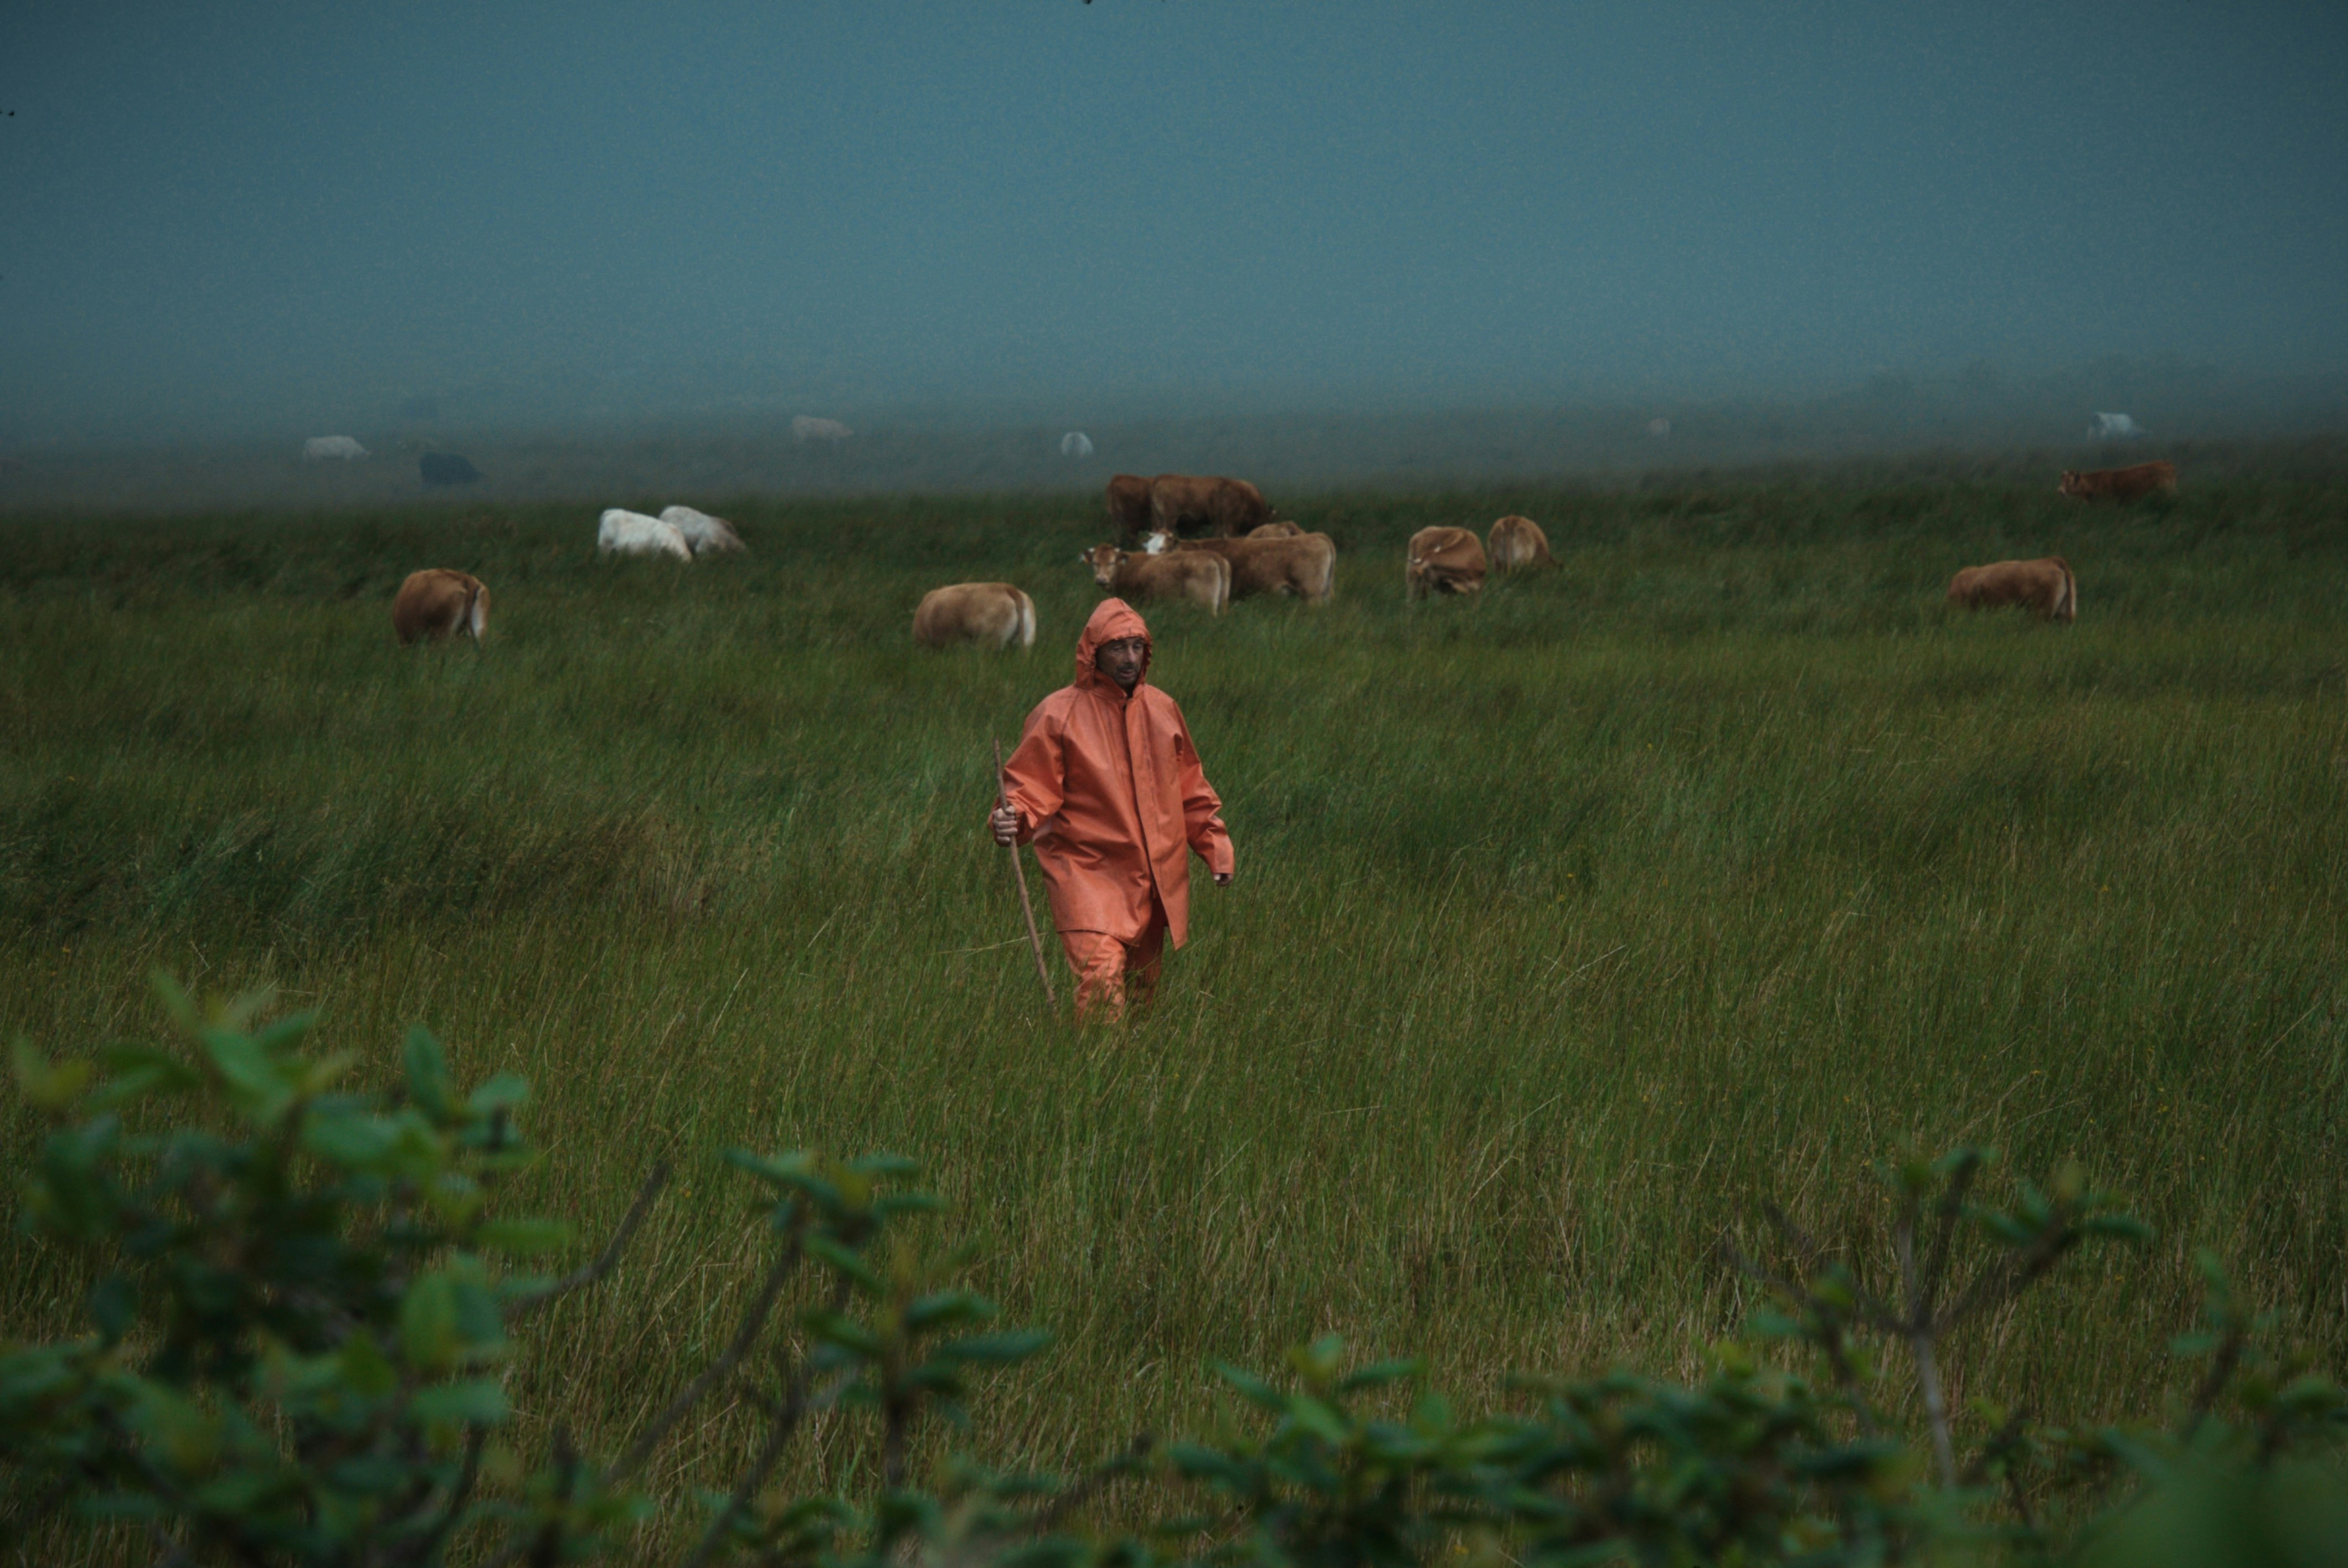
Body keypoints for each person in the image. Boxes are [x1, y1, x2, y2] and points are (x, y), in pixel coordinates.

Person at [990, 598, 1234, 1020]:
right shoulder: (1057, 714)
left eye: (1138, 647)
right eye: (1118, 647)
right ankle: (1093, 1075)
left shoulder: (1162, 709)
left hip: (1153, 877)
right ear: (1093, 653)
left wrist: (1216, 847)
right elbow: (1029, 787)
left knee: (1141, 994)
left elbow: (1191, 789)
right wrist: (1012, 817)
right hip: (1085, 871)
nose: (1130, 658)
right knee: (1101, 981)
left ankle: (1129, 1080)